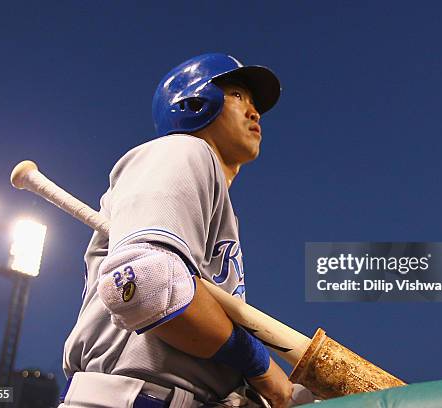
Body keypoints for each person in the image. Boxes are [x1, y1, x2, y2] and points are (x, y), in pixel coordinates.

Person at [58, 53, 298, 408]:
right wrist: (259, 364)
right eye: (237, 96)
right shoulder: (182, 151)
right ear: (196, 102)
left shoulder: (214, 202)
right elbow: (144, 285)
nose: (254, 112)